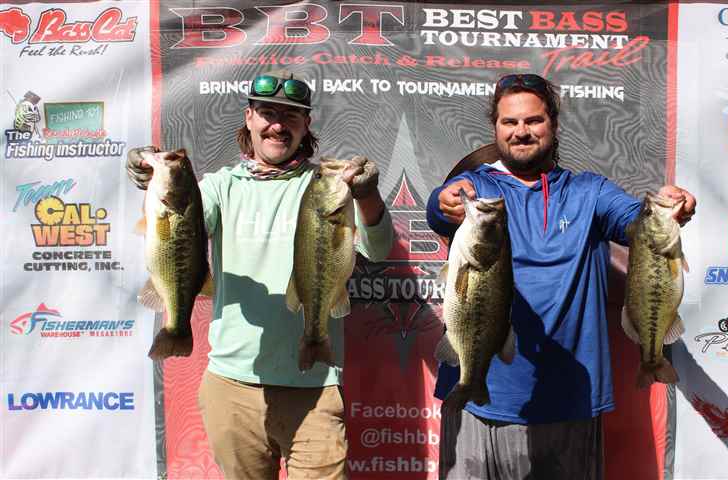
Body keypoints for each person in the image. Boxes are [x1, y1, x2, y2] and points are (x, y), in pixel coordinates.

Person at [126, 69, 394, 479]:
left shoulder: (327, 185)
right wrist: (150, 177)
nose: (277, 125)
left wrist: (368, 194)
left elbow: (377, 248)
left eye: (290, 117)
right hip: (231, 386)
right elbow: (182, 224)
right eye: (268, 113)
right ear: (249, 118)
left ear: (306, 126)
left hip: (316, 387)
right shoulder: (219, 186)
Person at [426, 73, 696, 479]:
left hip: (569, 400)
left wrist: (672, 208)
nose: (521, 132)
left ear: (552, 124)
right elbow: (440, 206)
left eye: (533, 121)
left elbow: (637, 223)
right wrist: (444, 200)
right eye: (509, 122)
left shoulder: (590, 190)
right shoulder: (478, 189)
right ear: (495, 127)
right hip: (478, 400)